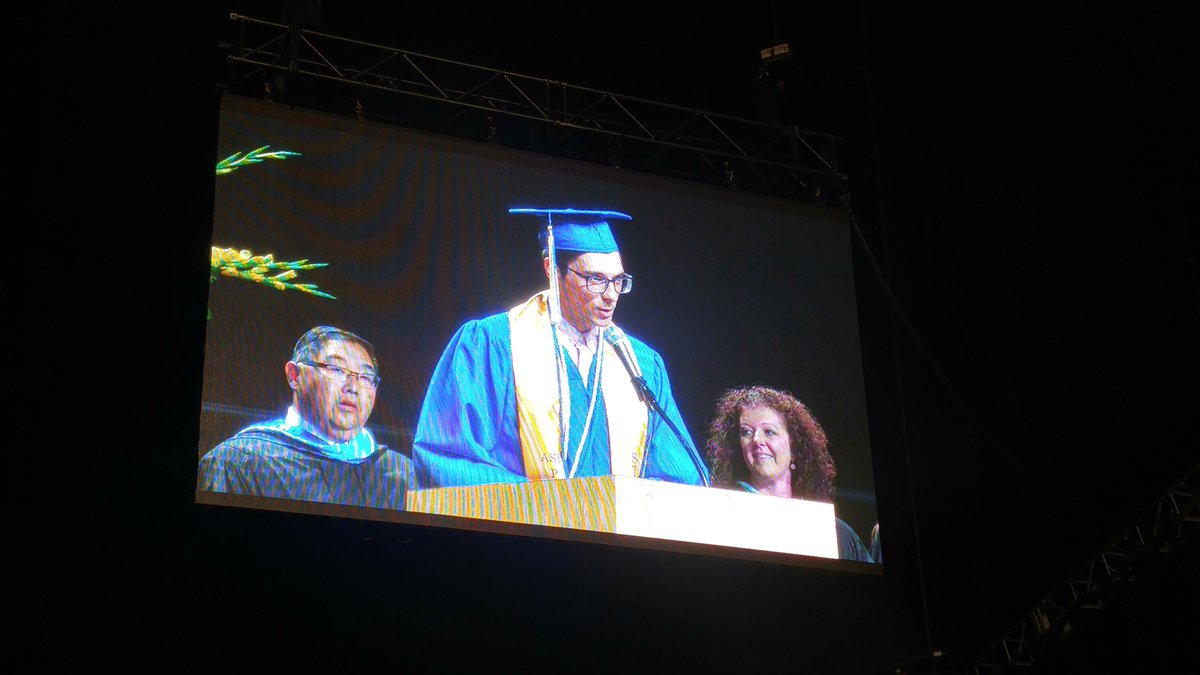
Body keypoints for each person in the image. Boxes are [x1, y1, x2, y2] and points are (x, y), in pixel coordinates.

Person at [412, 207, 710, 488]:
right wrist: (553, 505)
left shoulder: (641, 364)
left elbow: (680, 477)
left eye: (619, 281)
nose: (611, 296)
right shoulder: (493, 344)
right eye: (595, 280)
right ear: (552, 270)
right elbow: (446, 459)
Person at [198, 325, 411, 509]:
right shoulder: (238, 461)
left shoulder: (403, 473)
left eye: (365, 377)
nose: (353, 387)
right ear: (294, 375)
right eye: (336, 369)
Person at [704, 384, 874, 562]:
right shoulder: (723, 517)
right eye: (746, 432)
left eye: (769, 432)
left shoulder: (833, 532)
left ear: (794, 446)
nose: (756, 440)